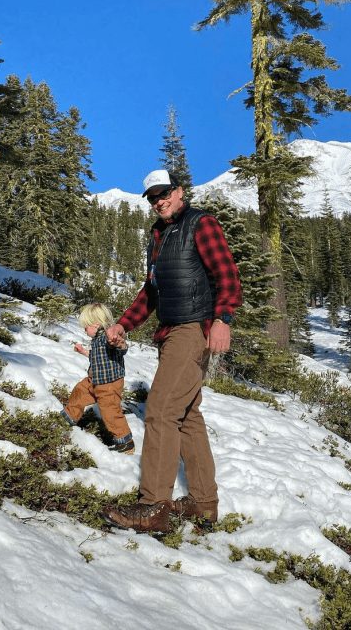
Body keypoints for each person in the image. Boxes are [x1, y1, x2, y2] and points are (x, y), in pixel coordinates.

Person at [102, 170, 242, 532]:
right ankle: (203, 504)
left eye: (164, 193)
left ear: (179, 192)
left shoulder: (200, 224)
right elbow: (151, 293)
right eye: (152, 197)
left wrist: (223, 317)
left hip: (194, 329)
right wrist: (122, 324)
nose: (159, 201)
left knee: (161, 411)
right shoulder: (159, 237)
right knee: (187, 415)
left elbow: (227, 275)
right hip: (170, 333)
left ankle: (153, 506)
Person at [61, 303, 135, 454]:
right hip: (94, 380)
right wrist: (83, 351)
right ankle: (69, 416)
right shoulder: (96, 340)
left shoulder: (107, 337)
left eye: (86, 327)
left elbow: (120, 347)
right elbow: (97, 357)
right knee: (80, 391)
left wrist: (120, 345)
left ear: (96, 323)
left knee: (110, 412)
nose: (85, 330)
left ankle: (125, 441)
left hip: (109, 384)